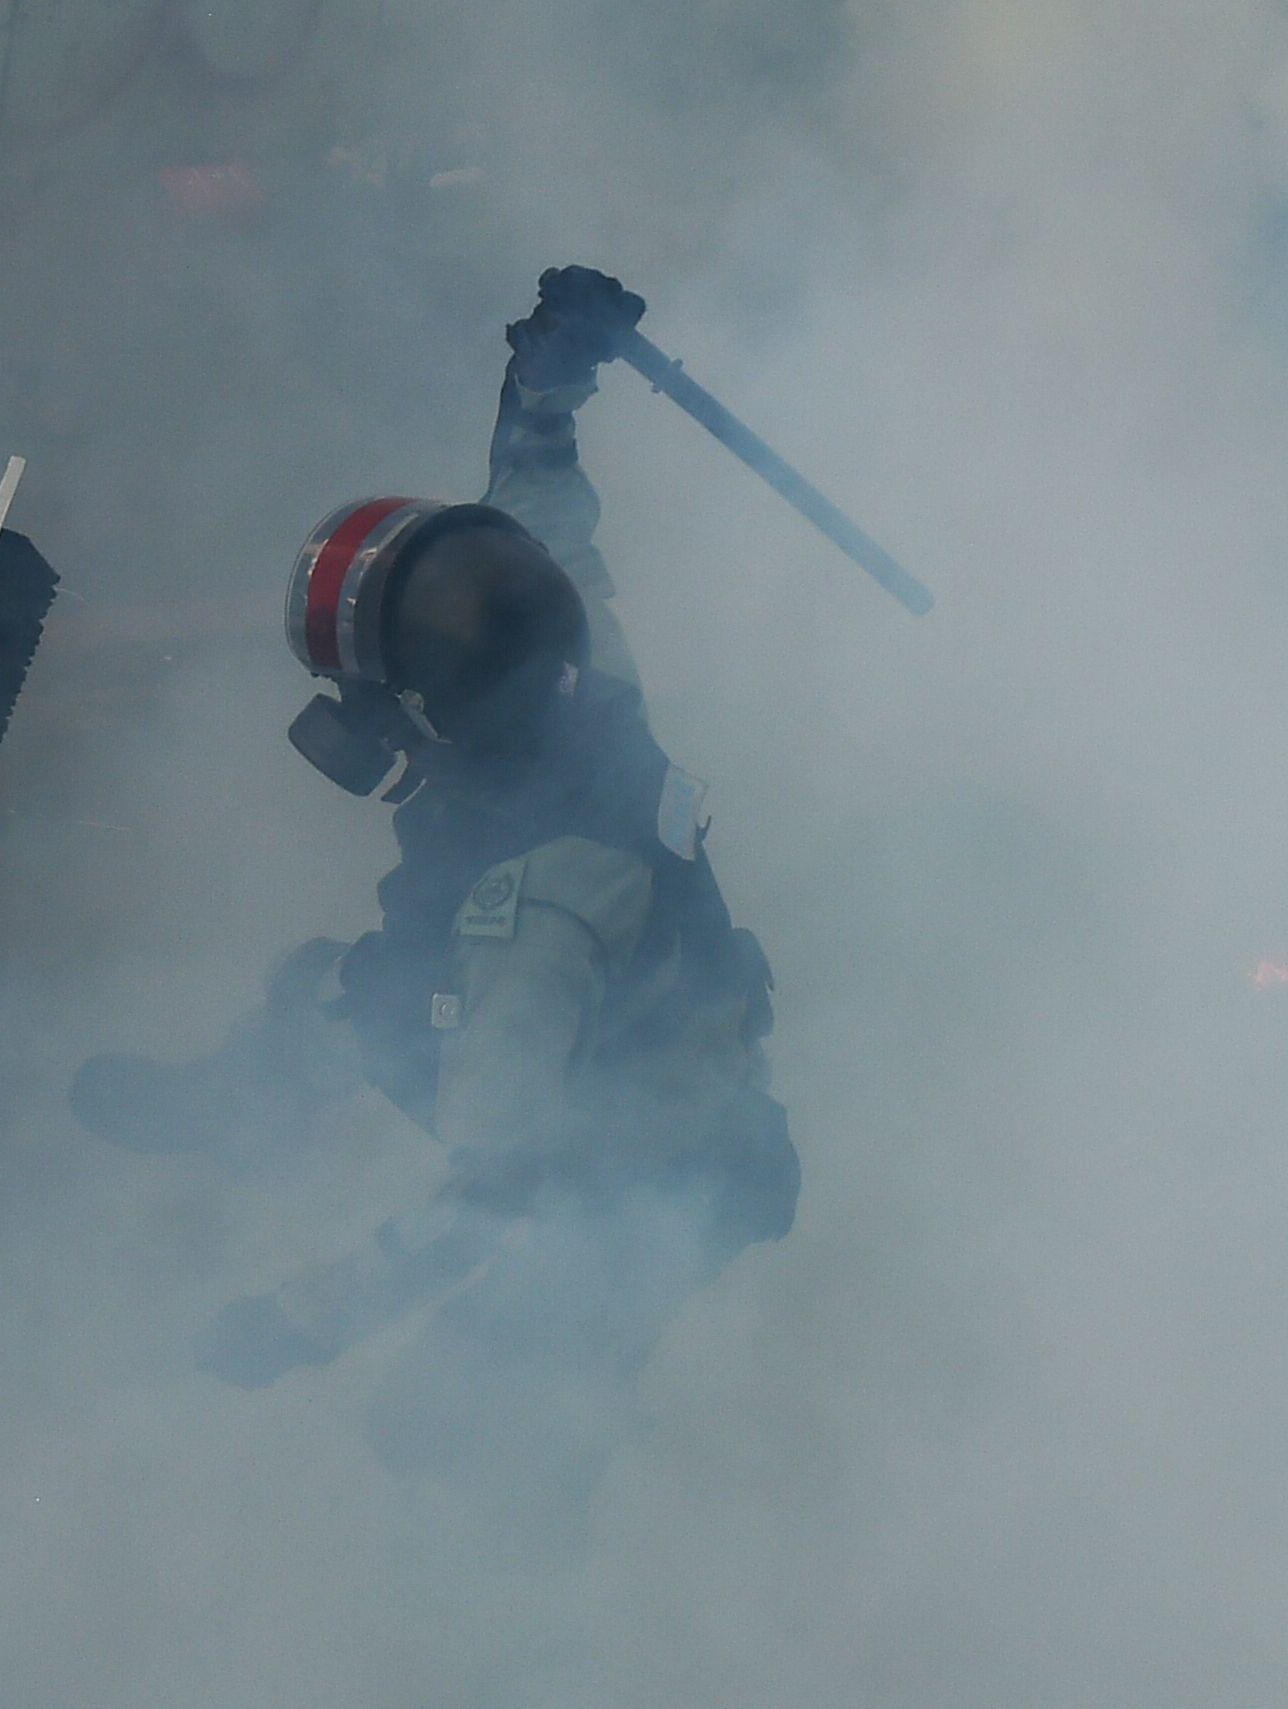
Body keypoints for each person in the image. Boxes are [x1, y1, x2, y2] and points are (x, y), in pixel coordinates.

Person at [77, 267, 797, 1536]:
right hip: (657, 1058)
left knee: (461, 1445)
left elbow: (496, 1186)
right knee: (350, 986)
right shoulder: (579, 668)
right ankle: (244, 1112)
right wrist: (543, 383)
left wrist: (296, 1322)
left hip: (635, 1161)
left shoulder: (529, 915)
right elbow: (536, 512)